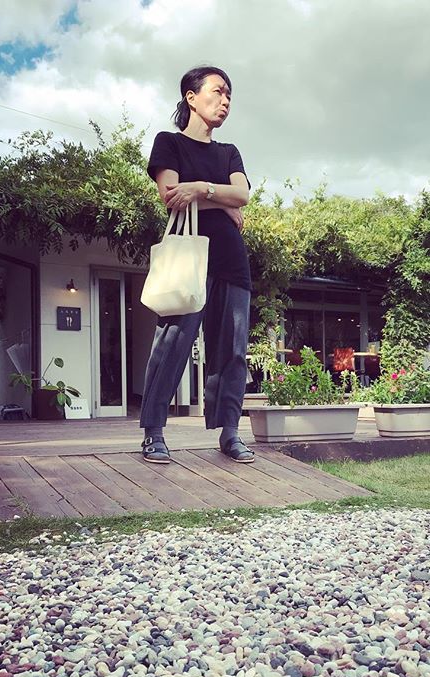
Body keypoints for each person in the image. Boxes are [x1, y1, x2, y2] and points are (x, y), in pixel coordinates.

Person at [140, 65, 254, 464]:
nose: (225, 101)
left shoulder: (229, 152)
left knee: (232, 351)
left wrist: (200, 189)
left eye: (229, 96)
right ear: (191, 96)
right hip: (188, 258)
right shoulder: (169, 143)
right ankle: (153, 432)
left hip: (231, 261)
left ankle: (230, 433)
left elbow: (243, 195)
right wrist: (221, 199)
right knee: (172, 344)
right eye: (218, 91)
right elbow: (170, 195)